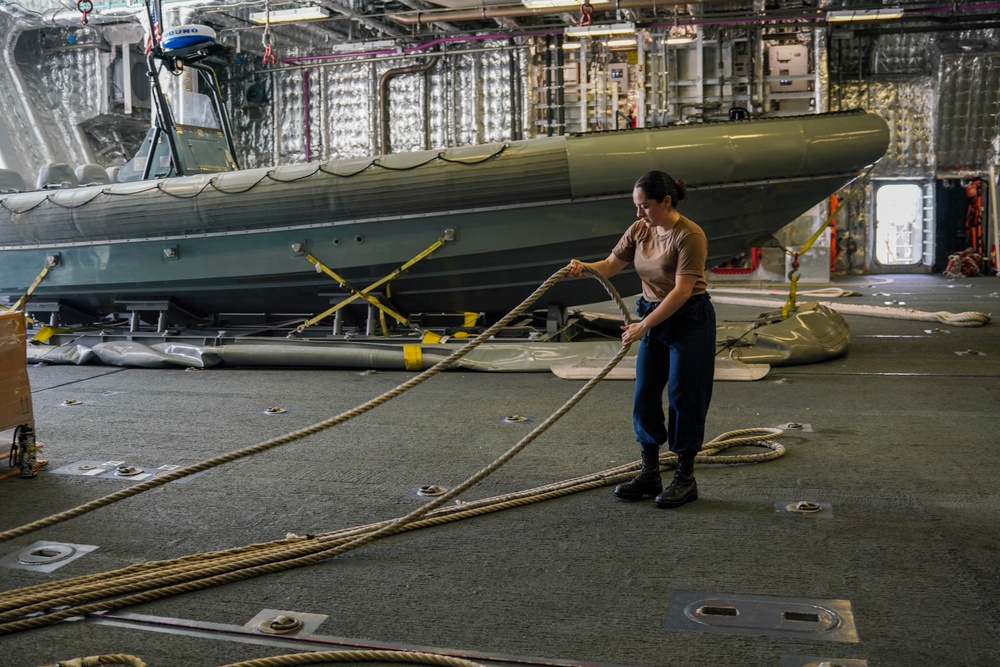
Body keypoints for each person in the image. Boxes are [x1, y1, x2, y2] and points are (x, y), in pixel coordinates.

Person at [568, 170, 715, 509]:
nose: (639, 215)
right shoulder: (639, 229)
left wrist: (643, 326)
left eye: (645, 207)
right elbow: (608, 265)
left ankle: (685, 478)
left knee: (684, 397)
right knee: (645, 394)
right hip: (653, 314)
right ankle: (650, 472)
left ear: (666, 202)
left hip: (689, 319)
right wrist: (582, 267)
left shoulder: (689, 235)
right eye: (636, 207)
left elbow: (681, 291)